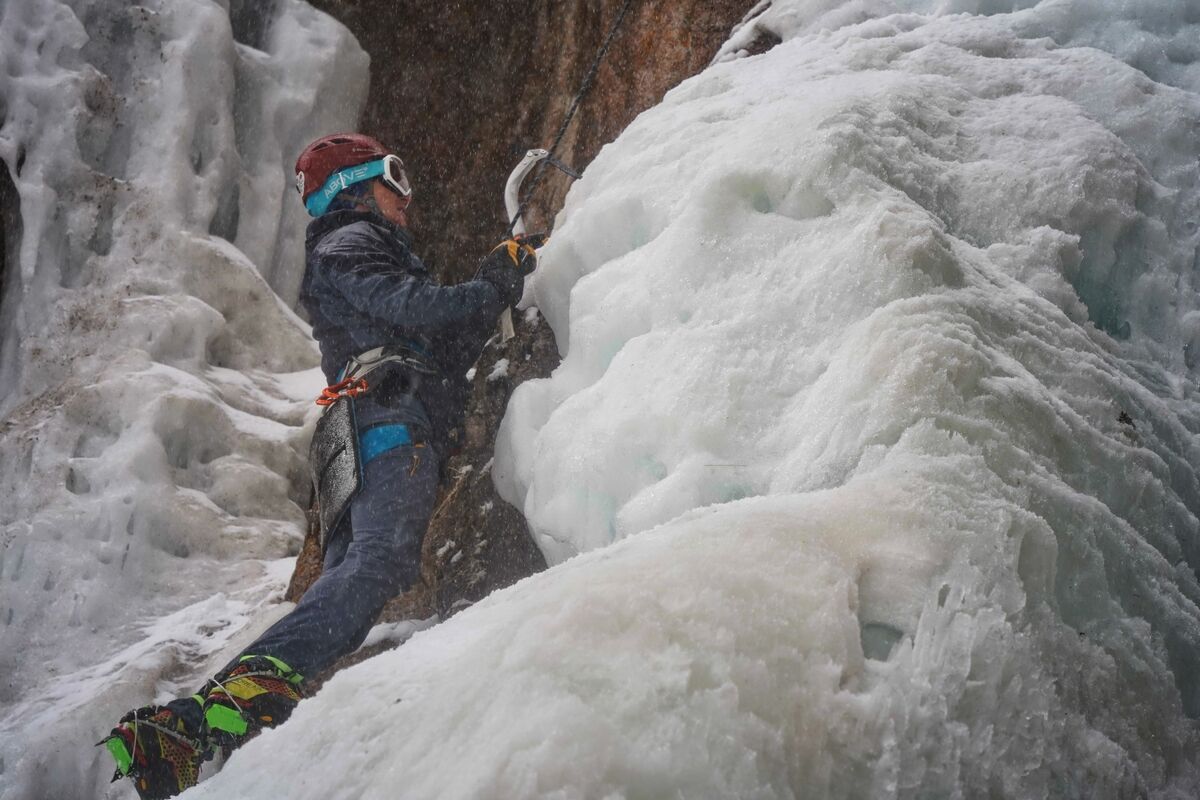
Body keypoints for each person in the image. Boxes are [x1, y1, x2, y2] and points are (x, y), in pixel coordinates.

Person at [100, 133, 538, 799]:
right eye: (396, 177)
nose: (406, 197)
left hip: (351, 432)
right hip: (383, 417)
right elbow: (414, 309)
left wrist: (489, 284)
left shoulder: (360, 251)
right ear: (354, 187)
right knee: (383, 559)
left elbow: (436, 338)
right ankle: (209, 709)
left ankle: (207, 728)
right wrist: (487, 284)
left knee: (348, 591)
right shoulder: (351, 238)